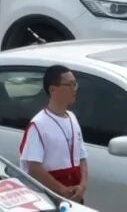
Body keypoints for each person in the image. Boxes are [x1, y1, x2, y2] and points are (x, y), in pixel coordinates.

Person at [19, 64, 89, 203]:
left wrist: (82, 186)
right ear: (52, 89)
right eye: (69, 85)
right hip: (51, 197)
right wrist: (62, 190)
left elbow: (82, 157)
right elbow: (34, 168)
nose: (74, 89)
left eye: (75, 84)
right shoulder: (38, 124)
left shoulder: (72, 118)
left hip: (75, 196)